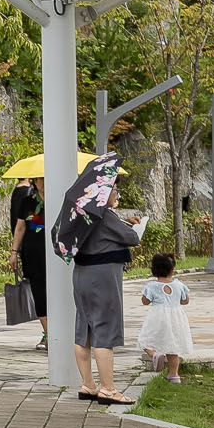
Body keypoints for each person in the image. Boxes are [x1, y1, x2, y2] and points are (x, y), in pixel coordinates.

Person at [60, 166, 145, 404]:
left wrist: (121, 222)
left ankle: (88, 384)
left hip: (82, 275)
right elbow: (132, 238)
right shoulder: (104, 216)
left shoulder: (81, 215)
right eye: (113, 188)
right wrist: (132, 226)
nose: (116, 192)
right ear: (102, 193)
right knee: (105, 328)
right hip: (103, 278)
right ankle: (108, 389)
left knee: (84, 328)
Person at [136, 253, 193, 383]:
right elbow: (185, 301)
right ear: (172, 270)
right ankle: (174, 375)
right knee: (173, 347)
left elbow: (145, 301)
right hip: (176, 318)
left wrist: (146, 296)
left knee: (144, 340)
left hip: (157, 316)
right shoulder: (179, 285)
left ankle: (154, 354)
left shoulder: (152, 286)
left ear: (154, 270)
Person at [9, 174, 47, 348]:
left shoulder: (61, 200)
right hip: (33, 254)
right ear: (34, 181)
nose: (44, 182)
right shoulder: (27, 202)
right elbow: (20, 227)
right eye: (40, 179)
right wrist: (14, 252)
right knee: (39, 295)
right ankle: (49, 334)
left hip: (56, 255)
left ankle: (62, 332)